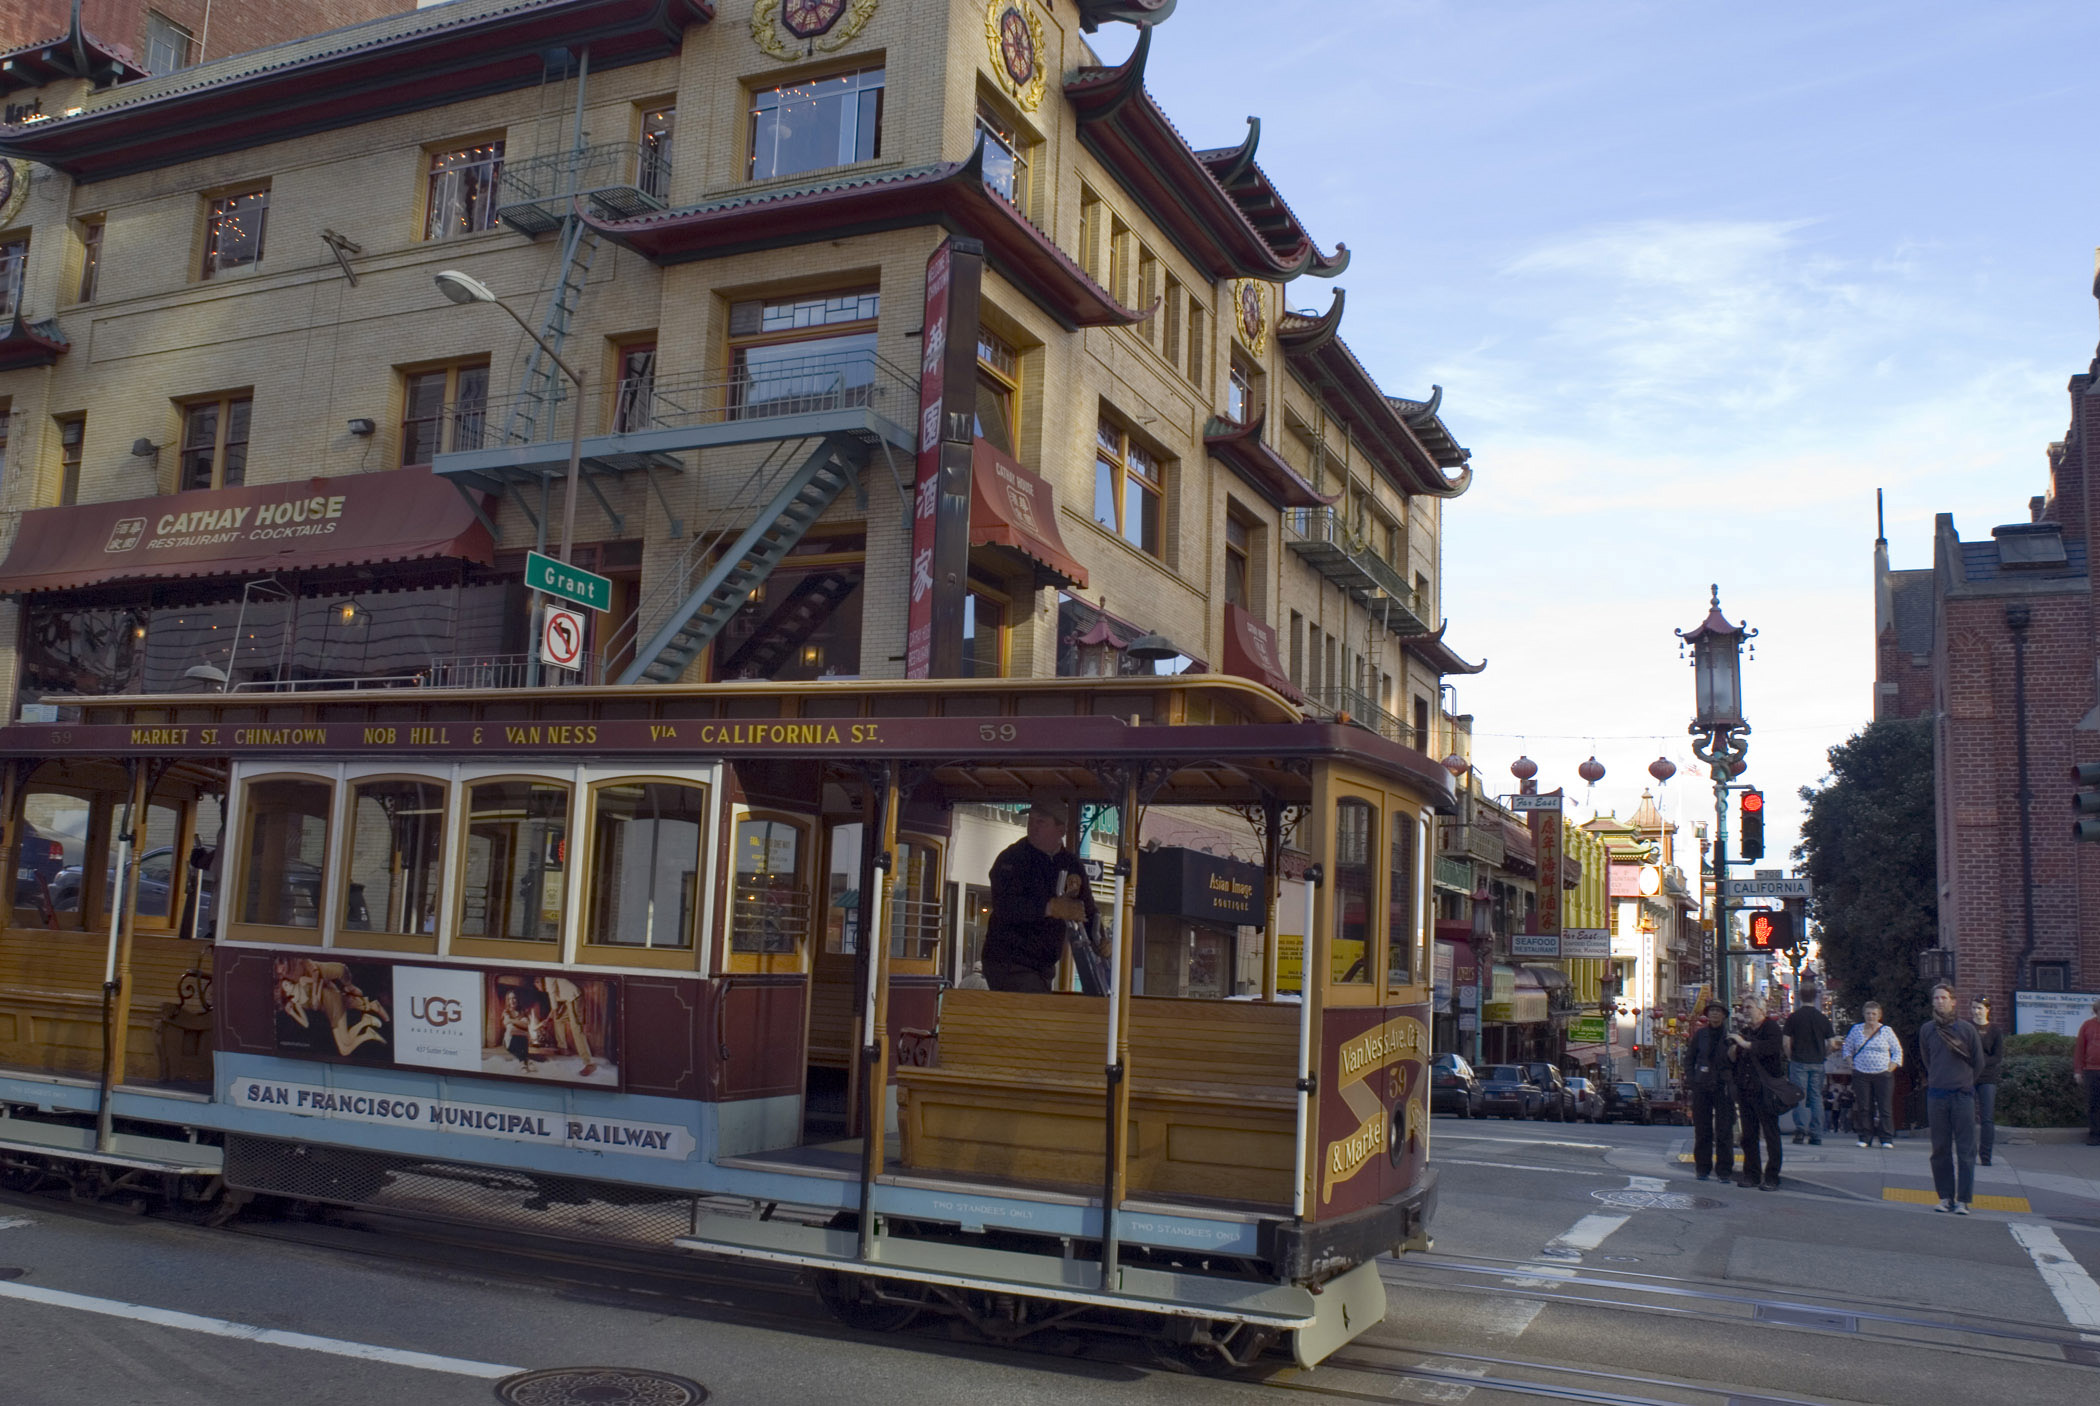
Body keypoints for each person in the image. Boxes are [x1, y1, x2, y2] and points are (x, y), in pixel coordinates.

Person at [980, 801, 1097, 993]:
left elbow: (1087, 909)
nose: (1032, 827)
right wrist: (1049, 907)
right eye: (1030, 820)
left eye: (1041, 822)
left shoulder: (1071, 864)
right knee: (1036, 1012)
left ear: (1061, 829)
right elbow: (1005, 906)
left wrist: (1099, 941)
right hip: (1009, 962)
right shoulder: (1012, 859)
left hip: (1043, 966)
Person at [1918, 981, 1984, 1213]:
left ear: (1953, 1001)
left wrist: (1965, 1081)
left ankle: (1963, 1199)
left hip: (1962, 1095)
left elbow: (1978, 1062)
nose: (1940, 1002)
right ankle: (1945, 1197)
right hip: (1937, 1095)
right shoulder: (1927, 1030)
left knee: (1966, 1150)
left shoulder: (1966, 1029)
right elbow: (1927, 1060)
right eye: (1936, 998)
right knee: (1940, 1149)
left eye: (1944, 998)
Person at [1728, 996, 1787, 1190]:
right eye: (1743, 1007)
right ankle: (1751, 1174)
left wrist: (1744, 1044)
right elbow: (1734, 1058)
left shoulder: (1771, 1028)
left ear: (1761, 1010)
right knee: (1748, 1136)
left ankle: (1772, 1176)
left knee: (1771, 1134)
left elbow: (1769, 1049)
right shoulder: (1744, 1031)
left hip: (1766, 1091)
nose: (1745, 1010)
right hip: (1747, 1090)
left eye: (1749, 1007)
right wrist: (1734, 1049)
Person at [1684, 1001, 1736, 1184]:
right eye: (1712, 1011)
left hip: (1723, 1087)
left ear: (1724, 1015)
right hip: (1702, 1086)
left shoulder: (1730, 1036)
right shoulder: (1700, 1035)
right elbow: (1689, 1059)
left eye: (1718, 1011)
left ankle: (1724, 1171)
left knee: (1724, 1130)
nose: (1714, 1014)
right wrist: (1692, 1080)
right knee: (1702, 1130)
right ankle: (1702, 1168)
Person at [1840, 1001, 1903, 1148]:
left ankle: (1886, 1138)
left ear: (1879, 1015)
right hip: (1861, 1073)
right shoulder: (1856, 1030)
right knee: (1864, 1106)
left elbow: (1897, 1050)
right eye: (1868, 1013)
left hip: (1883, 1073)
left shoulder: (1887, 1031)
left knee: (1884, 1106)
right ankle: (1865, 1137)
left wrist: (1891, 1067)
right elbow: (1847, 1048)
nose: (1871, 1016)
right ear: (1864, 1014)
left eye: (1874, 1013)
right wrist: (1850, 1063)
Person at [1784, 985, 1838, 1146]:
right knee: (1815, 1097)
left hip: (1799, 1060)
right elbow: (1833, 1043)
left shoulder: (1794, 1017)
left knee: (1799, 1096)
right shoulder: (1822, 1018)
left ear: (1800, 997)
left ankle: (1800, 1130)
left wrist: (1790, 1056)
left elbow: (1786, 1042)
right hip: (1817, 1062)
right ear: (1815, 997)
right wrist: (1823, 1054)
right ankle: (1816, 1134)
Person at [536, 974, 600, 1077]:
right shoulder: (548, 983)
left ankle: (589, 1063)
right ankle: (563, 1048)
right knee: (559, 1020)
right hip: (569, 1001)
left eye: (536, 986)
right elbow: (555, 1008)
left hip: (574, 998)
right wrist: (549, 1018)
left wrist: (549, 1018)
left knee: (576, 1030)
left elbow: (553, 1003)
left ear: (538, 982)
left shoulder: (548, 977)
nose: (537, 988)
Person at [1972, 998, 2003, 1167]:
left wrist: (1982, 1062)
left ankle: (1986, 1156)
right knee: (1967, 1116)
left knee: (1987, 1118)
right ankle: (1969, 1152)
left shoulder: (1995, 1030)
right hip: (1969, 1076)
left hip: (1988, 1077)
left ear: (1988, 1010)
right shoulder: (1968, 1028)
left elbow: (1998, 1056)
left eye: (1980, 1008)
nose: (1976, 1011)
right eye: (1974, 1008)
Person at [2076, 997, 2100, 1146]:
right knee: (2093, 1104)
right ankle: (2094, 1135)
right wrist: (2078, 1070)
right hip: (2091, 1070)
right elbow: (2079, 1049)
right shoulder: (2087, 1026)